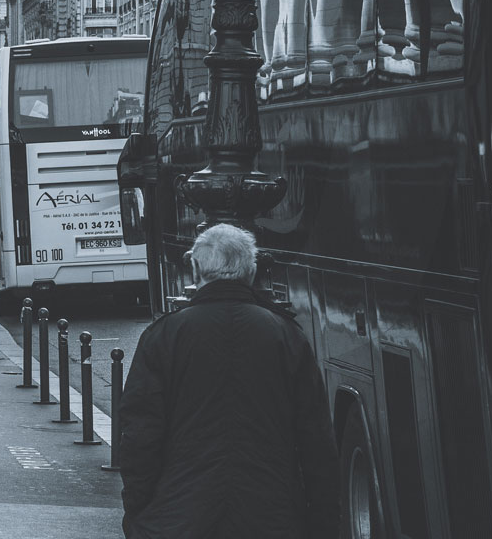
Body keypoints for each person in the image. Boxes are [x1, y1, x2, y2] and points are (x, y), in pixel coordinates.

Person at [118, 224, 339, 539]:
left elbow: (140, 438)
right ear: (251, 271)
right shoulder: (285, 336)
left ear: (196, 269)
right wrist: (323, 524)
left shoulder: (164, 337)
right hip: (271, 518)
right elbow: (316, 443)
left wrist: (138, 514)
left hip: (179, 518)